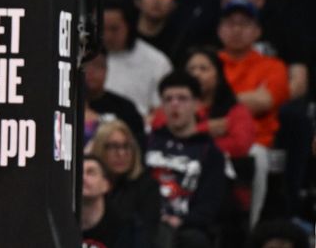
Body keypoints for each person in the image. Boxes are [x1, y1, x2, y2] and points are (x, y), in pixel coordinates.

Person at [217, 0, 290, 226]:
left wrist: (220, 102)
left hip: (255, 142)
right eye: (230, 23)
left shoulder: (273, 66)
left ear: (257, 31)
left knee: (256, 156)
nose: (237, 30)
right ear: (219, 30)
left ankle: (250, 229)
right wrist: (244, 101)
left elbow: (264, 101)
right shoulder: (210, 62)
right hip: (213, 138)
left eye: (244, 24)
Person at [147, 72, 228, 248]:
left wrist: (182, 221)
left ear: (197, 104)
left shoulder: (210, 152)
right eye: (168, 99)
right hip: (146, 221)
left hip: (186, 229)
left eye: (182, 98)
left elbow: (210, 204)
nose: (174, 104)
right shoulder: (147, 142)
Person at [153, 46, 255, 158]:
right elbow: (159, 135)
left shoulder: (235, 109)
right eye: (191, 69)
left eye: (203, 69)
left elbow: (240, 145)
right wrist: (203, 129)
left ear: (219, 75)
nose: (196, 74)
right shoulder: (173, 104)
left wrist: (188, 141)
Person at [87, 120, 161, 239]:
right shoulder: (89, 185)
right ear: (99, 148)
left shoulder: (147, 187)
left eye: (126, 146)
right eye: (113, 146)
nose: (121, 153)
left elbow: (146, 235)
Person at [81, 155, 152, 248]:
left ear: (106, 184)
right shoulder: (60, 223)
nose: (83, 177)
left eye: (91, 173)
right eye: (79, 173)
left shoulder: (127, 227)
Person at [82, 51, 146, 151]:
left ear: (106, 70)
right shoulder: (67, 104)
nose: (91, 71)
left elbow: (138, 146)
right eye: (86, 65)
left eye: (97, 65)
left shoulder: (125, 108)